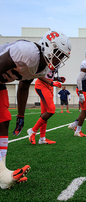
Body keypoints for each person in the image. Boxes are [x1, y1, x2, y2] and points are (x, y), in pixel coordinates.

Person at [0, 30, 71, 189]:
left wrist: (20, 115)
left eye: (62, 56)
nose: (58, 59)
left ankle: (1, 175)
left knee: (4, 120)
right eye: (58, 54)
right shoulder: (28, 52)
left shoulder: (42, 67)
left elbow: (24, 86)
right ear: (49, 46)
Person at [27, 69, 66, 145]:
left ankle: (42, 138)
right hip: (41, 86)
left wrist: (56, 79)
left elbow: (48, 76)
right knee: (51, 110)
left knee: (45, 114)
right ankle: (33, 130)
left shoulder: (56, 63)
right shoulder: (46, 60)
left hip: (48, 87)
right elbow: (38, 74)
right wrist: (52, 83)